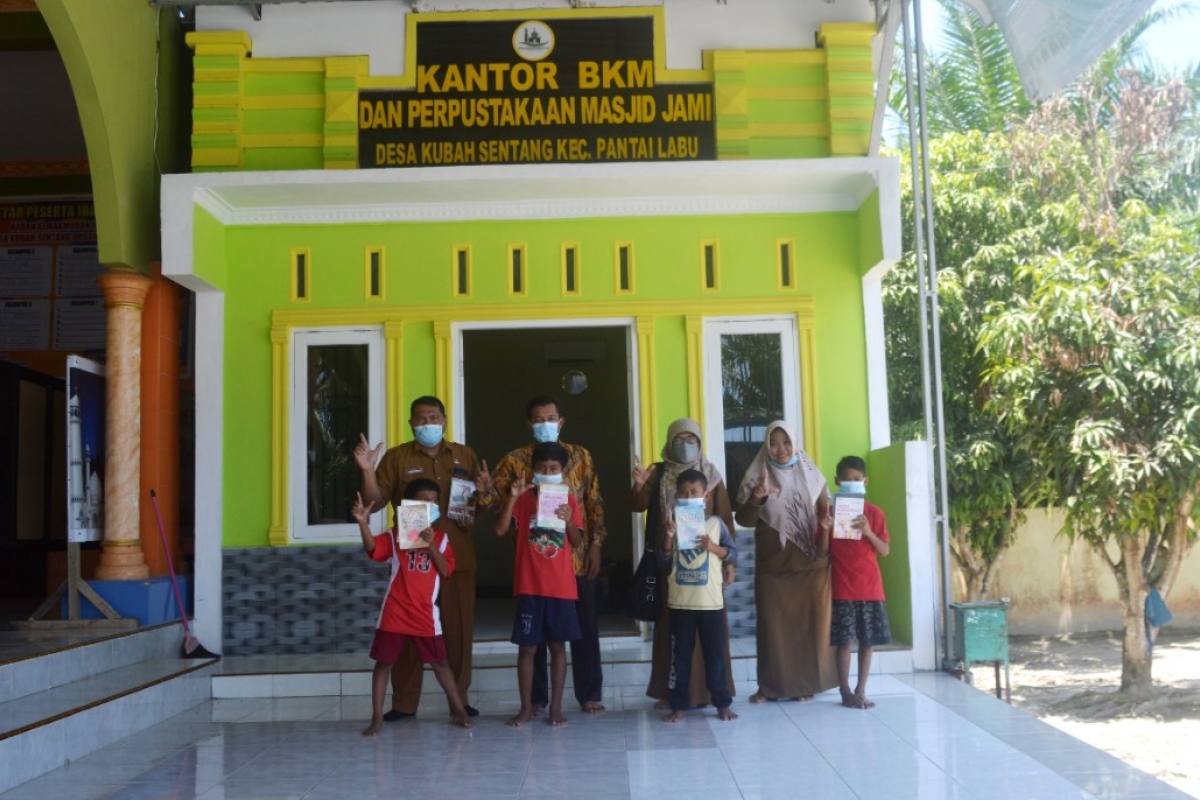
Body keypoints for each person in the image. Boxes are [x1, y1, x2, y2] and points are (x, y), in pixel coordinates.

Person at [355, 396, 490, 721]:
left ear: (444, 420)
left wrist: (485, 495)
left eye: (433, 417)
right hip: (411, 563)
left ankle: (459, 700)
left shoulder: (464, 455)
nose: (427, 423)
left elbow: (473, 512)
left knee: (457, 632)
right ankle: (404, 703)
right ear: (411, 423)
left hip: (454, 557)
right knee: (406, 635)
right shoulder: (398, 457)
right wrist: (368, 471)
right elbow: (375, 500)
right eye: (420, 418)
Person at [477, 395, 607, 714]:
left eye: (551, 417)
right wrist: (483, 492)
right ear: (529, 424)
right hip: (534, 567)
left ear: (561, 421)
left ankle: (588, 695)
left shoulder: (581, 456)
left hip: (573, 562)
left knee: (583, 631)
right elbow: (495, 505)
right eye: (538, 419)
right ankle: (535, 701)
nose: (545, 423)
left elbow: (593, 502)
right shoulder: (514, 461)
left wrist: (595, 545)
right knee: (532, 641)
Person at [630, 417, 737, 709]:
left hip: (707, 571)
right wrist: (640, 486)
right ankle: (673, 694)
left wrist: (730, 563)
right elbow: (636, 506)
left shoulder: (711, 475)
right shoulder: (660, 472)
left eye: (691, 440)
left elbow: (725, 521)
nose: (685, 445)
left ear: (700, 443)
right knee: (674, 635)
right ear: (669, 442)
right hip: (670, 566)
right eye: (679, 439)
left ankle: (711, 695)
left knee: (711, 639)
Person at [352, 480, 474, 734]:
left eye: (433, 501)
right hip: (395, 611)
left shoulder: (441, 538)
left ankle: (459, 710)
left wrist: (429, 545)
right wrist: (363, 524)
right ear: (408, 505)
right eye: (422, 501)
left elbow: (446, 570)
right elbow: (374, 550)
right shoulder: (396, 534)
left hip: (425, 613)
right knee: (384, 664)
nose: (428, 506)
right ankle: (376, 717)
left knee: (440, 663)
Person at [735, 420, 837, 703]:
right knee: (772, 626)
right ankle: (769, 688)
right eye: (775, 443)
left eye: (786, 442)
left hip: (810, 563)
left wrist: (826, 535)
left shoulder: (811, 474)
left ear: (795, 443)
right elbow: (742, 519)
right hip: (773, 563)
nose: (781, 449)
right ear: (767, 445)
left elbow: (826, 510)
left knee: (807, 627)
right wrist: (757, 499)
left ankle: (805, 686)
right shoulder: (758, 475)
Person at [493, 441, 584, 727]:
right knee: (527, 649)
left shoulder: (569, 499)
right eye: (542, 468)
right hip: (529, 585)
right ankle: (526, 707)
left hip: (560, 587)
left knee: (558, 647)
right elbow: (500, 529)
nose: (547, 472)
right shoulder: (524, 497)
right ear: (533, 470)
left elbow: (578, 541)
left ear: (563, 471)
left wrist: (569, 521)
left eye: (553, 469)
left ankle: (555, 708)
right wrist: (512, 497)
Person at [660, 469, 738, 723]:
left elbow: (733, 554)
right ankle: (679, 704)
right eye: (683, 493)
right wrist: (669, 538)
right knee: (680, 657)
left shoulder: (715, 524)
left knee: (715, 657)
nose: (688, 496)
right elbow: (663, 562)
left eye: (694, 492)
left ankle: (722, 704)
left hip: (710, 604)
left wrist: (712, 547)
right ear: (676, 496)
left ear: (705, 497)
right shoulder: (672, 524)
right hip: (680, 602)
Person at [829, 455, 891, 710]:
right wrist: (825, 527)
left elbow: (885, 550)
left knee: (868, 642)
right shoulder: (831, 512)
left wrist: (868, 532)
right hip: (842, 587)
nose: (851, 483)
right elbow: (823, 551)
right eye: (846, 479)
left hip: (870, 588)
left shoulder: (874, 513)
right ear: (837, 481)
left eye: (856, 479)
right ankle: (844, 690)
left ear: (865, 481)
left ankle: (861, 690)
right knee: (844, 641)